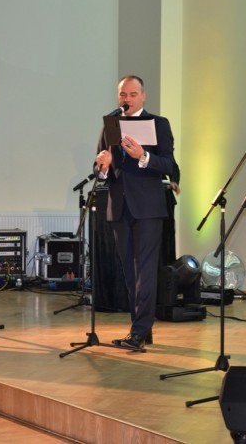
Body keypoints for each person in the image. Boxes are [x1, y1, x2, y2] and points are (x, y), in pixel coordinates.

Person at [95, 75, 178, 350]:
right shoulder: (110, 124)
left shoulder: (158, 124)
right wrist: (103, 165)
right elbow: (100, 169)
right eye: (122, 94)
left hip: (148, 208)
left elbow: (168, 164)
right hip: (119, 207)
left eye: (132, 94)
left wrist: (143, 156)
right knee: (130, 274)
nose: (127, 99)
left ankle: (139, 331)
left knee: (145, 271)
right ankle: (141, 328)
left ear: (143, 96)